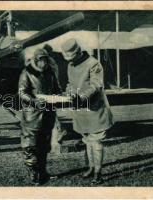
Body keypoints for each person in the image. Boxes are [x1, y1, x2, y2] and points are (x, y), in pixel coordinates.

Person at [61, 39, 115, 185]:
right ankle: (91, 168)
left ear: (78, 52)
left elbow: (96, 85)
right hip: (81, 110)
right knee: (87, 140)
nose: (70, 60)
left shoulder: (93, 63)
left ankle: (98, 173)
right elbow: (70, 83)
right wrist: (69, 92)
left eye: (71, 57)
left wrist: (81, 96)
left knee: (96, 141)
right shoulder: (70, 65)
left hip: (95, 109)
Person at [18, 48, 61, 185]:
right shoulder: (26, 73)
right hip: (33, 116)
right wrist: (34, 101)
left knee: (44, 146)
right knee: (30, 146)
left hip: (48, 114)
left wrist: (60, 96)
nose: (44, 64)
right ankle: (34, 174)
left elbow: (56, 89)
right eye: (41, 61)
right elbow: (22, 92)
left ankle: (43, 172)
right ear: (36, 60)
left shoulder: (50, 73)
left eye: (45, 60)